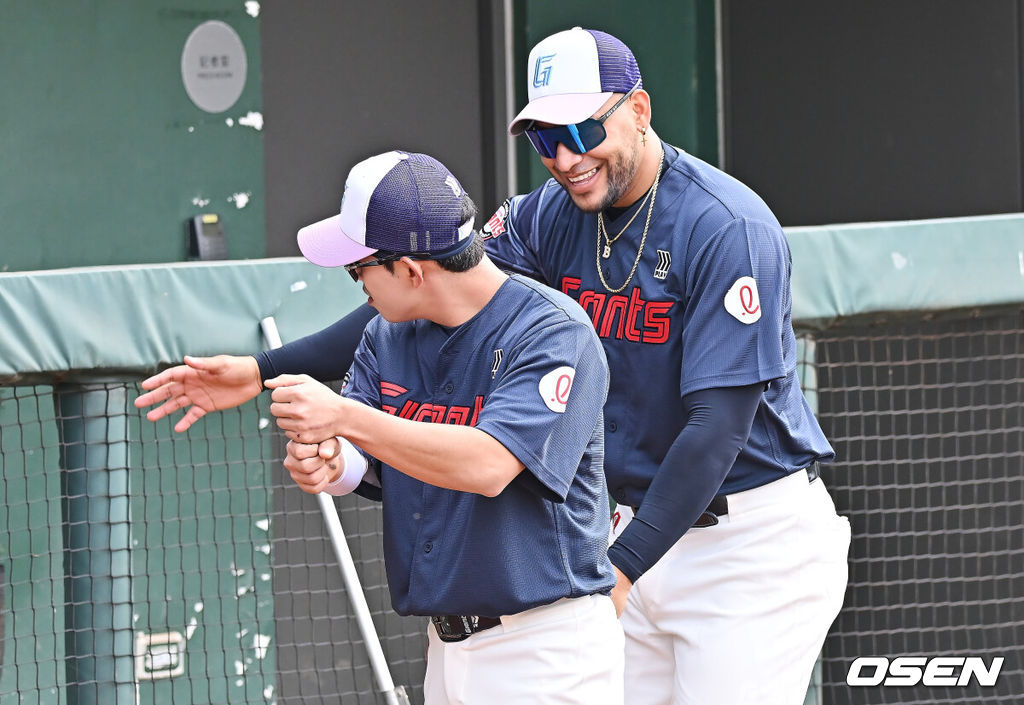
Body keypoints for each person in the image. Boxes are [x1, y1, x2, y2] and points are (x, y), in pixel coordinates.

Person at [137, 27, 850, 705]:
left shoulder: (727, 225)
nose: (564, 157)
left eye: (581, 131)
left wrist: (623, 567)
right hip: (628, 526)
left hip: (743, 541)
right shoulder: (548, 215)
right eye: (544, 138)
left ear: (638, 110)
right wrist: (262, 369)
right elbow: (420, 290)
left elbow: (718, 427)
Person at [142, 150, 624, 704]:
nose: (356, 283)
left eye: (359, 269)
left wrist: (343, 416)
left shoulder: (552, 331)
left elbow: (489, 464)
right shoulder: (386, 333)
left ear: (412, 270)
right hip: (446, 648)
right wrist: (329, 462)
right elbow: (365, 457)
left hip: (546, 649)